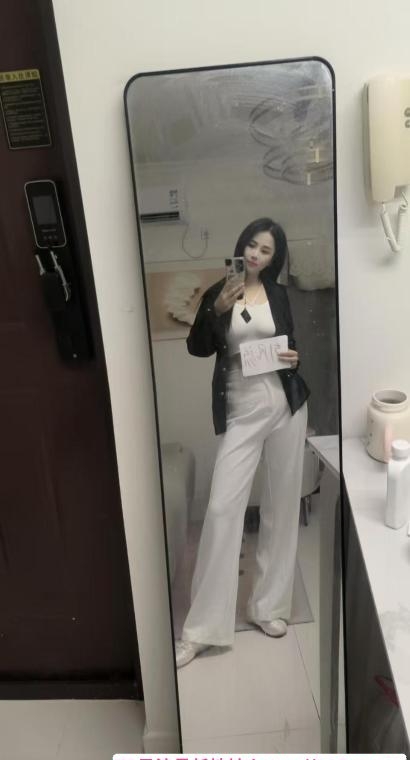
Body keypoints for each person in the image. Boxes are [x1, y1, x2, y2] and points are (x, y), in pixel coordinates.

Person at [176, 217, 310, 668]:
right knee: (220, 510)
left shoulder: (278, 294)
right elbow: (196, 347)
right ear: (241, 245)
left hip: (286, 406)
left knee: (281, 507)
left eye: (266, 250)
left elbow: (289, 348)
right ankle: (201, 629)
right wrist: (216, 310)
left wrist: (293, 356)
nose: (255, 254)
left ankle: (268, 607)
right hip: (242, 411)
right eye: (252, 245)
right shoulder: (220, 292)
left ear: (274, 258)